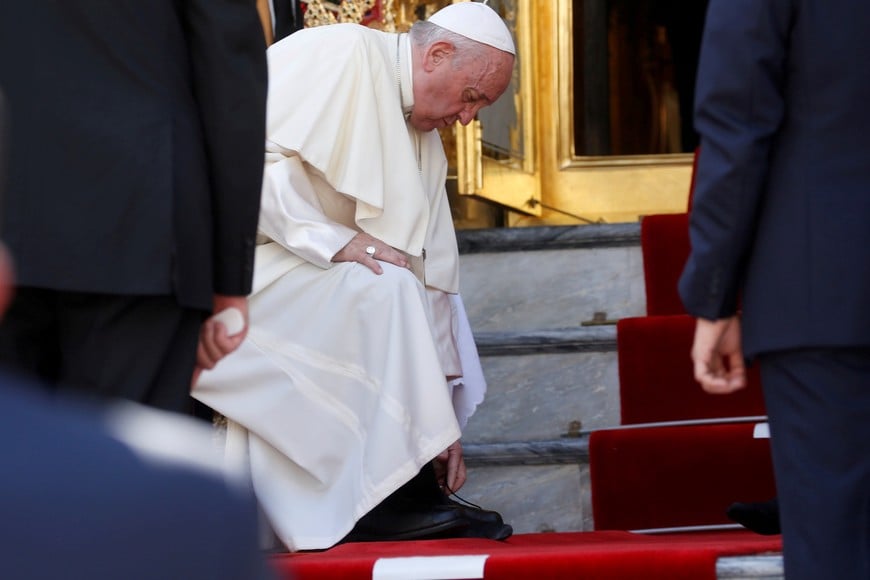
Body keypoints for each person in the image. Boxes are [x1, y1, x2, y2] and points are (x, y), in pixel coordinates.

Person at [193, 1, 515, 551]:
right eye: (471, 97)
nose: (468, 119)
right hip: (237, 273)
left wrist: (435, 419)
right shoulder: (336, 53)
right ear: (437, 54)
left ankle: (403, 491)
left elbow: (432, 276)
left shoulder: (425, 138)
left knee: (389, 285)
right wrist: (334, 240)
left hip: (310, 281)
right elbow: (238, 162)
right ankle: (388, 501)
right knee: (380, 286)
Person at [0, 87, 273, 580]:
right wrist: (228, 278)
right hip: (142, 232)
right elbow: (229, 90)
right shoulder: (186, 495)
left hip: (68, 232)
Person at [679, 0, 870, 578]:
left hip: (829, 285)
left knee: (835, 542)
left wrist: (714, 293)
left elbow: (738, 121)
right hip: (829, 288)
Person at [0, 1, 267, 414]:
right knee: (123, 444)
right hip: (140, 222)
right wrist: (229, 279)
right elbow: (230, 75)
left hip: (15, 208)